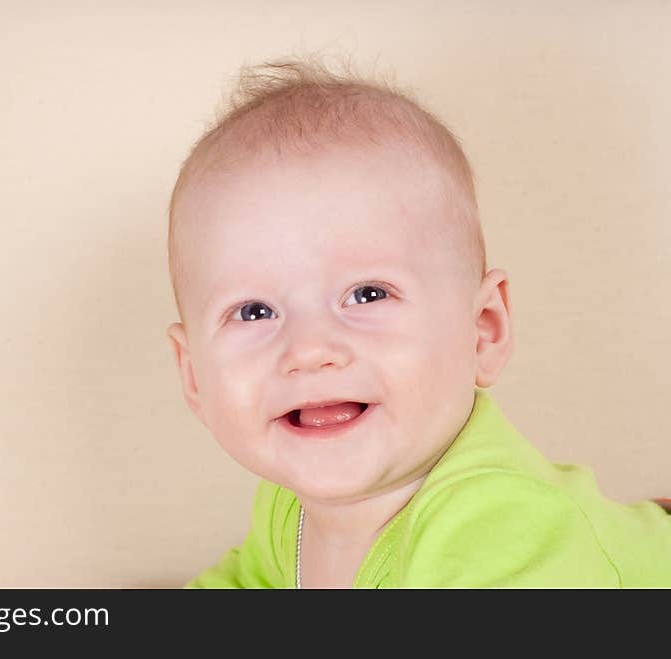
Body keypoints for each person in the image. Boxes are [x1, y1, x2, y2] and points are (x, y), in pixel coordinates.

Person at [164, 57, 671, 588]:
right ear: (194, 374)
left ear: (483, 330)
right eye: (255, 312)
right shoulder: (286, 505)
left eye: (367, 294)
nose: (310, 349)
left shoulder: (495, 528)